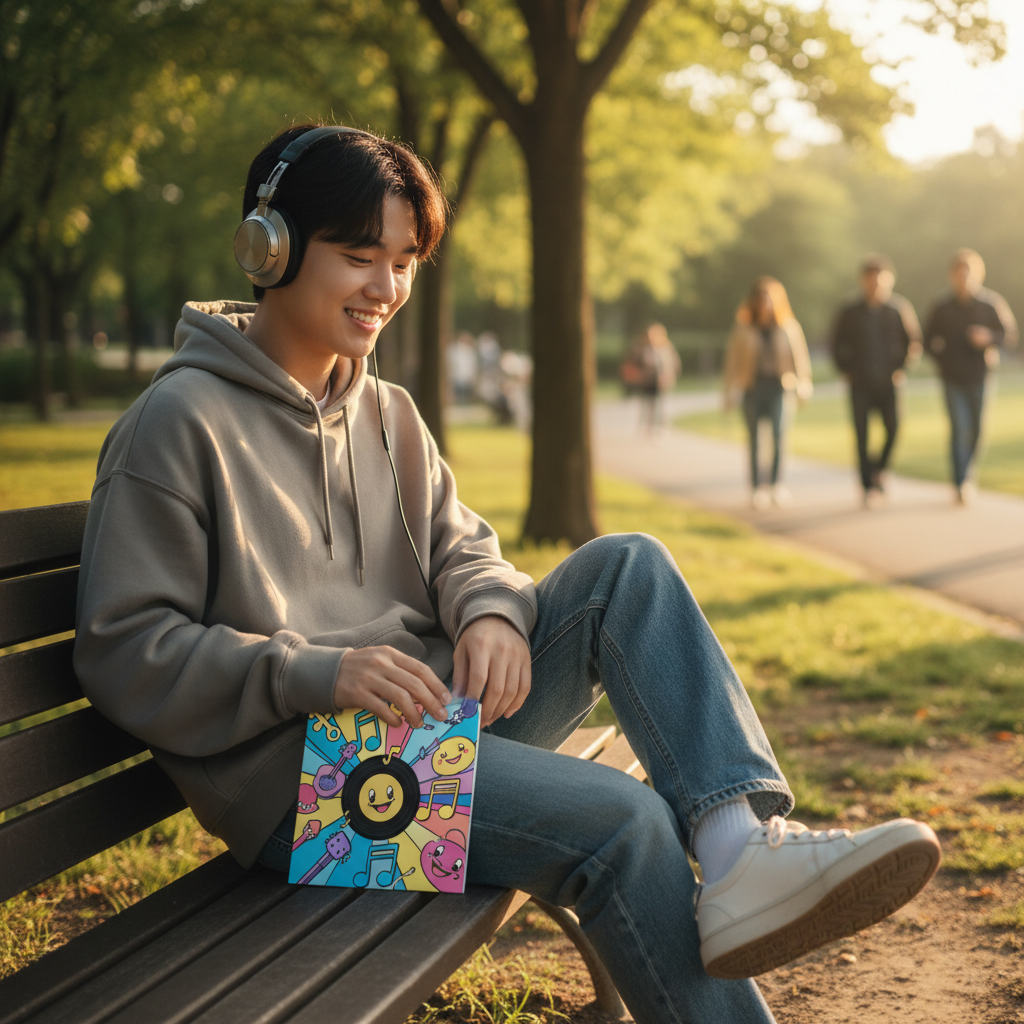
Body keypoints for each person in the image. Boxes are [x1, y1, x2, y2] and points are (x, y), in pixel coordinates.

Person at [74, 124, 941, 1024]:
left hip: (424, 727)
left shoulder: (386, 411)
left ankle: (738, 851)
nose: (386, 289)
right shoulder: (177, 422)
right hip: (311, 792)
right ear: (271, 246)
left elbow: (465, 548)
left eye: (403, 262)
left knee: (627, 568)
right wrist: (313, 671)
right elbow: (123, 648)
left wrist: (489, 610)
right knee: (626, 823)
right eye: (359, 257)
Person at [923, 248, 1018, 504]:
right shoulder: (942, 308)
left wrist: (988, 338)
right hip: (952, 378)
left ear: (977, 275)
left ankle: (968, 473)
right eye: (958, 274)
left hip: (981, 376)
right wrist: (942, 360)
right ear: (952, 276)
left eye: (967, 274)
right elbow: (927, 341)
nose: (963, 279)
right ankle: (960, 481)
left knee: (976, 430)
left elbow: (1008, 335)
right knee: (958, 428)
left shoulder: (990, 303)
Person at [831, 255, 922, 508]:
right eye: (870, 280)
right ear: (863, 281)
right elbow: (836, 343)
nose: (875, 285)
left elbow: (912, 341)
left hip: (889, 383)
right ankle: (867, 485)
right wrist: (845, 370)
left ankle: (880, 470)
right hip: (859, 383)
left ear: (889, 280)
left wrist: (902, 368)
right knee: (861, 436)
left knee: (894, 428)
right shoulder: (850, 311)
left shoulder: (897, 309)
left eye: (880, 280)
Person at [723, 277, 812, 510]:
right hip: (752, 388)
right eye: (762, 299)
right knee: (754, 439)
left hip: (779, 388)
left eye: (770, 299)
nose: (766, 304)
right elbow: (732, 361)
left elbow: (800, 358)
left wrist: (804, 385)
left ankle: (775, 485)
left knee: (778, 437)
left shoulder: (788, 327)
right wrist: (728, 392)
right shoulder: (743, 328)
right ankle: (757, 488)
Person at [622, 322, 681, 433]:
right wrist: (637, 375)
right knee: (646, 403)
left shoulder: (666, 348)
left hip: (660, 381)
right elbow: (634, 362)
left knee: (659, 403)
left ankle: (659, 425)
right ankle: (645, 424)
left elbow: (674, 364)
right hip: (646, 381)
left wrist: (669, 376)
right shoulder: (642, 348)